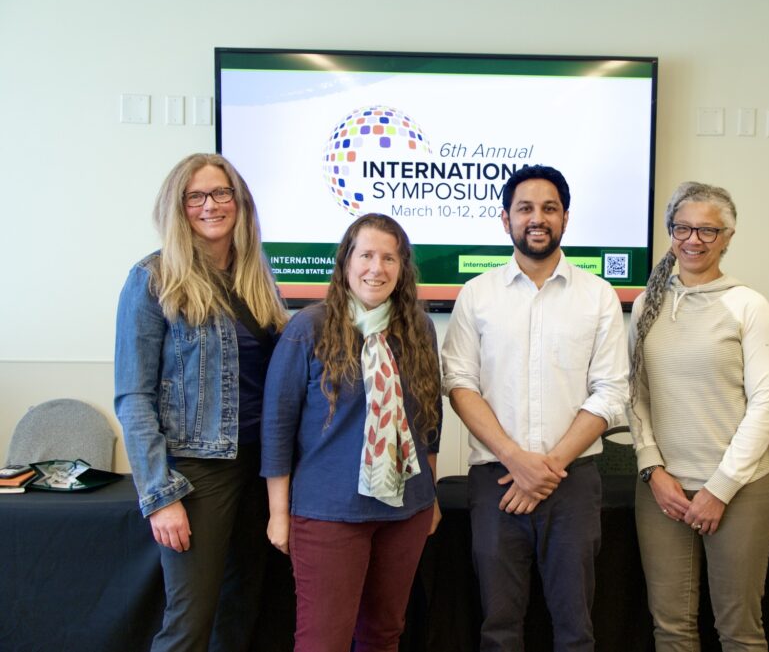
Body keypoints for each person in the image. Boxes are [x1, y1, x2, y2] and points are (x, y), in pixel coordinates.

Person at [441, 164, 629, 652]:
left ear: (566, 217)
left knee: (575, 631)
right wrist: (516, 460)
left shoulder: (599, 296)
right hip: (495, 482)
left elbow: (610, 391)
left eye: (549, 208)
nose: (537, 218)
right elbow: (459, 383)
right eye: (525, 208)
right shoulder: (477, 295)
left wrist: (548, 467)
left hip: (574, 482)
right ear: (506, 219)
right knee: (499, 628)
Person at [114, 153, 288, 652]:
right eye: (196, 196)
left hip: (261, 468)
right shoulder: (152, 279)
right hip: (197, 473)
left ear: (240, 202)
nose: (211, 205)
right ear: (178, 206)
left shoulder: (257, 277)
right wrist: (160, 496)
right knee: (189, 622)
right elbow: (133, 398)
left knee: (242, 610)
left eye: (222, 193)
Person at [261, 212, 442, 652]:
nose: (376, 268)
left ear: (402, 270)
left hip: (406, 511)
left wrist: (430, 498)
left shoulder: (418, 328)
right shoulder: (309, 327)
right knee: (324, 641)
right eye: (366, 255)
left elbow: (429, 421)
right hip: (328, 514)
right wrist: (278, 513)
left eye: (389, 258)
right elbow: (277, 426)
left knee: (383, 635)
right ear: (346, 262)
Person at [629, 182, 769, 651]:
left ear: (729, 236)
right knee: (671, 628)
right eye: (683, 228)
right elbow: (636, 395)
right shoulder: (645, 305)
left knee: (738, 630)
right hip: (664, 491)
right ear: (671, 232)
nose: (693, 240)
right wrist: (653, 470)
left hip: (740, 489)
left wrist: (720, 489)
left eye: (708, 231)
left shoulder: (747, 305)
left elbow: (764, 403)